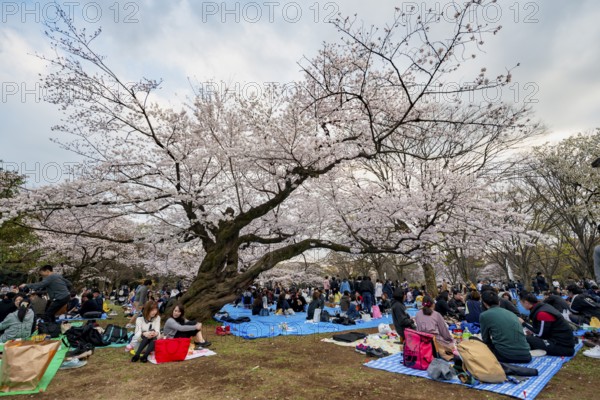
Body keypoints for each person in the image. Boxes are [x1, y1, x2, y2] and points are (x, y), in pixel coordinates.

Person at [480, 290, 531, 363]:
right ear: (499, 302)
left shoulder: (484, 315)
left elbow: (486, 339)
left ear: (484, 303)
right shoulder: (512, 314)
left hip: (506, 355)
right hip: (526, 355)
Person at [519, 292, 576, 356]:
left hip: (563, 347)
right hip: (559, 341)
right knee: (530, 338)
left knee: (527, 339)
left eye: (521, 303)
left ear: (526, 302)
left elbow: (540, 334)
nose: (521, 305)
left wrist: (523, 323)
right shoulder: (542, 307)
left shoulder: (542, 313)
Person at [414, 295, 454, 360]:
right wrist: (450, 339)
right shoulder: (436, 315)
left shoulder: (417, 314)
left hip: (421, 341)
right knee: (452, 345)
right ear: (433, 304)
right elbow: (444, 331)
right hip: (435, 342)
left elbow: (418, 329)